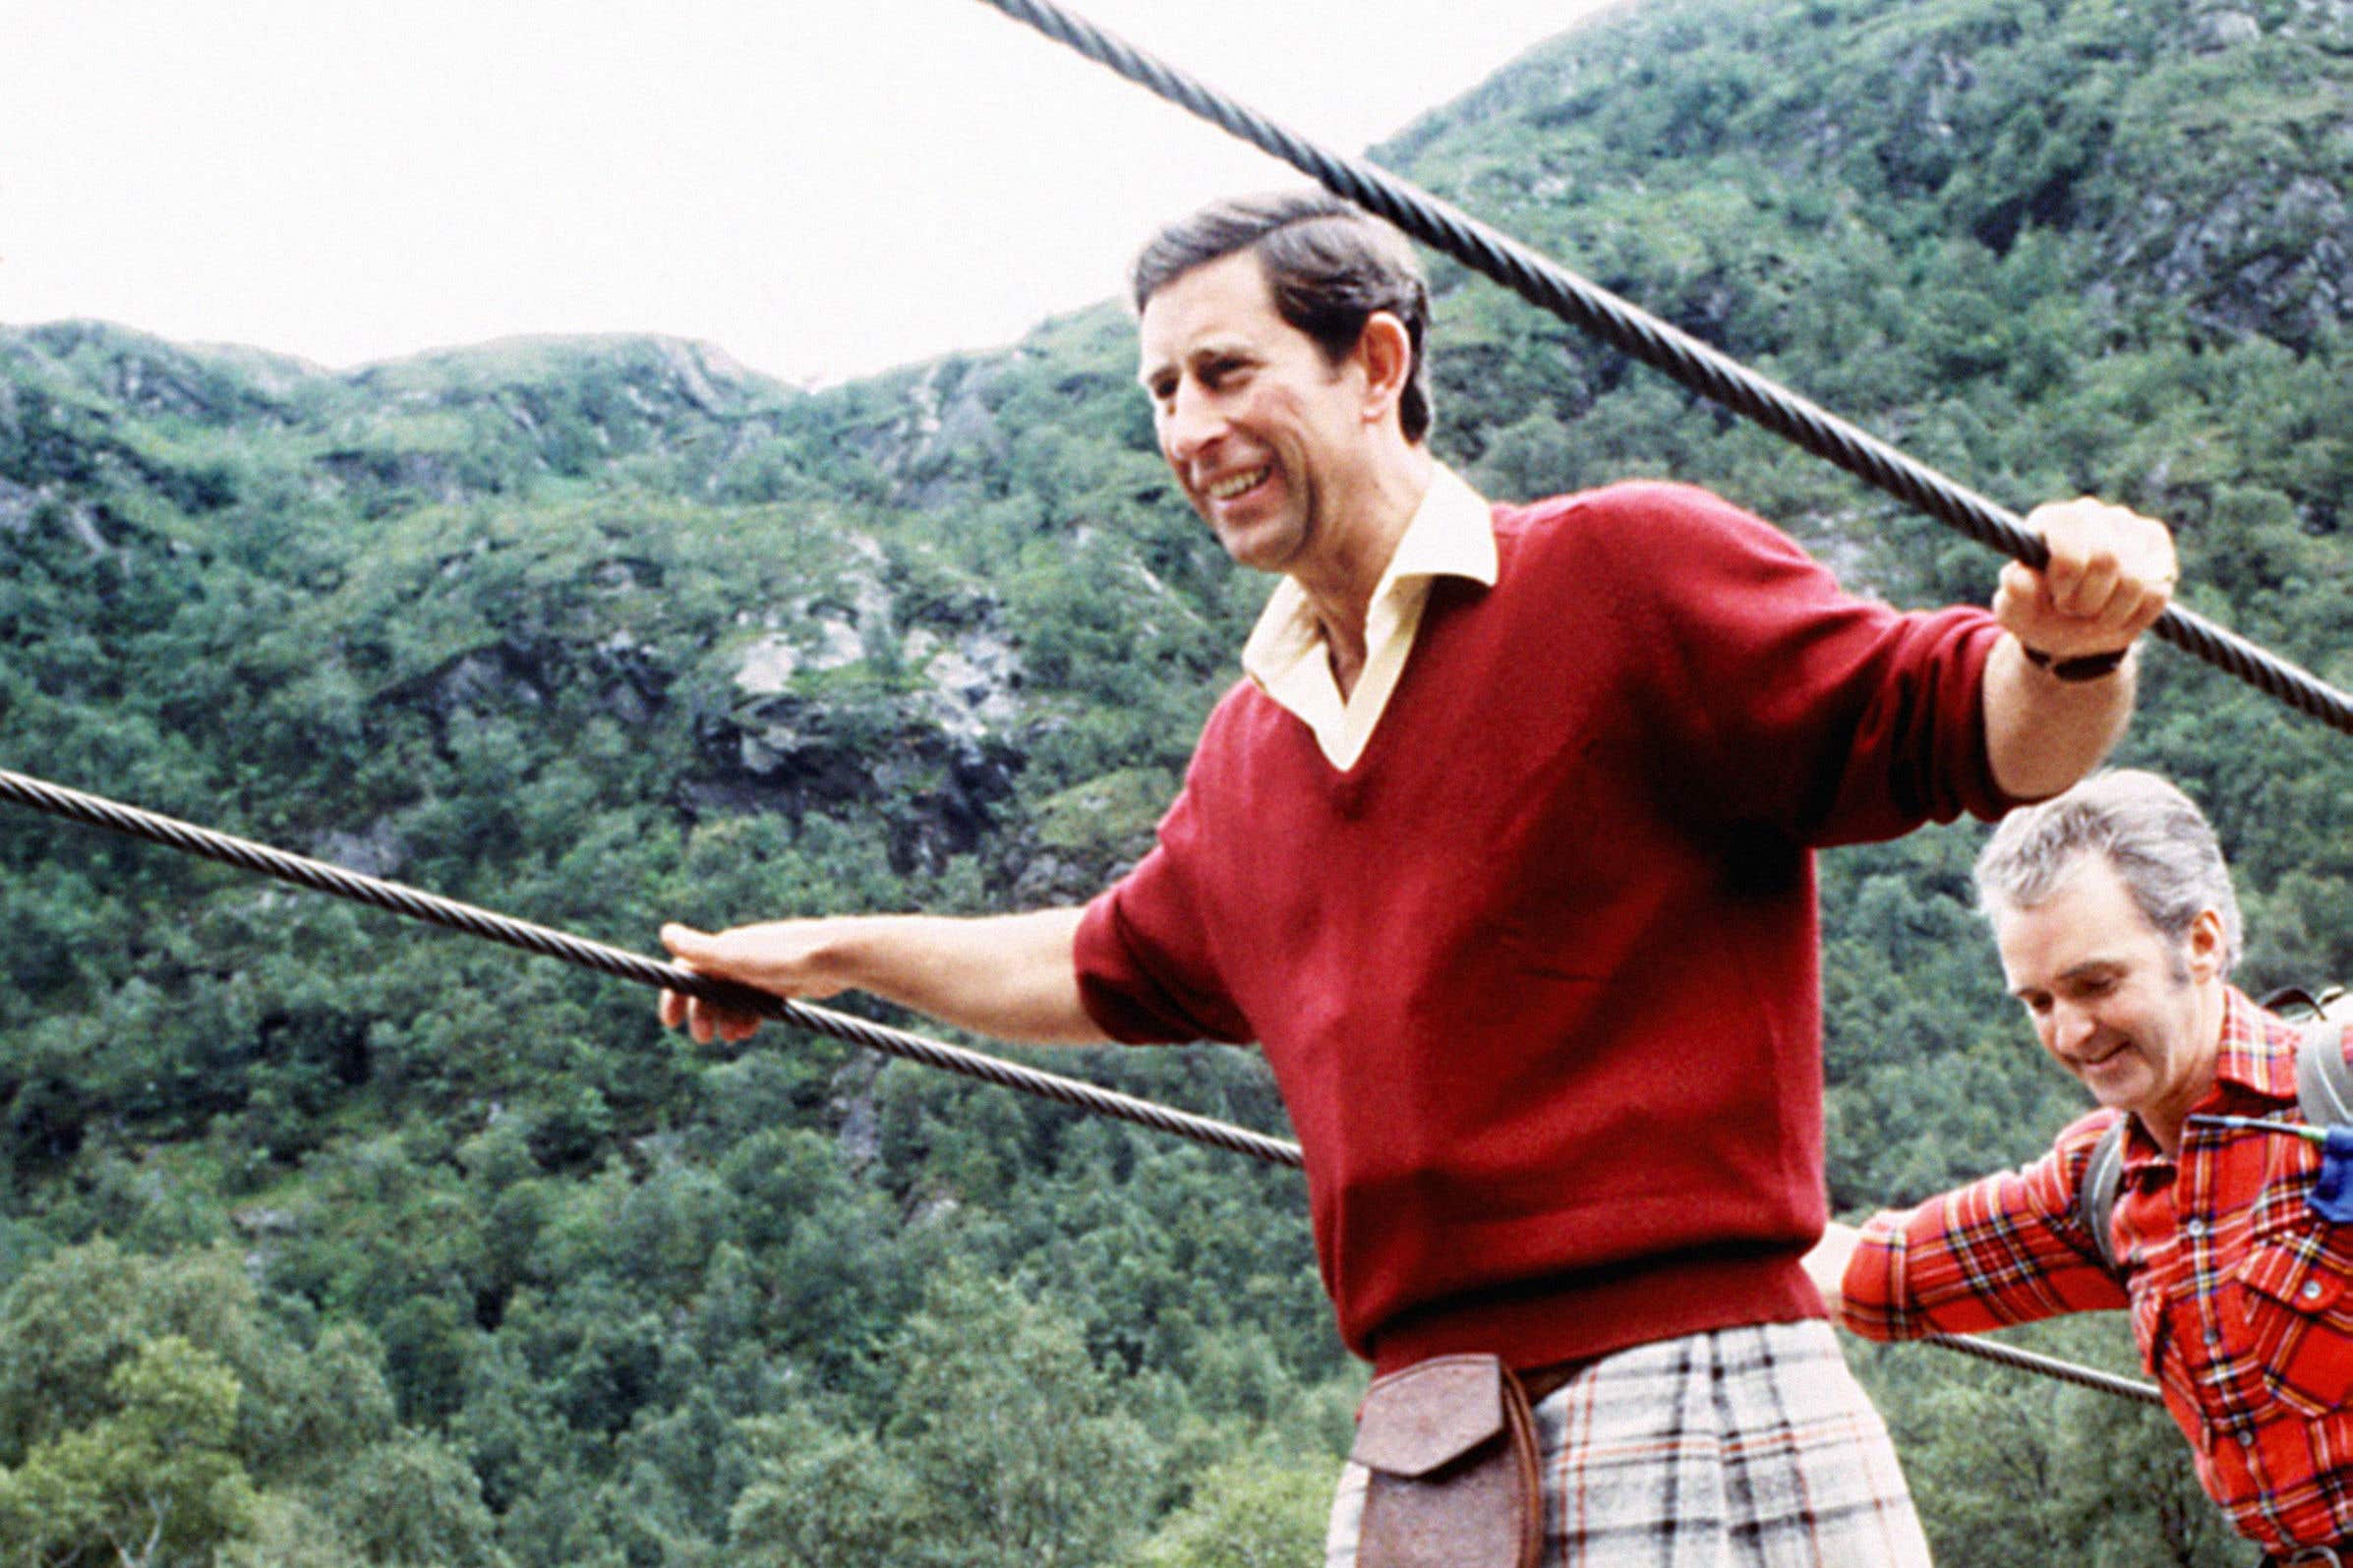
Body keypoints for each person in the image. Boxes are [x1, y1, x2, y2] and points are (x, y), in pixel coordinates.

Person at [659, 191, 2180, 1566]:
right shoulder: (1248, 750)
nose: (1190, 428)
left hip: (1695, 1386)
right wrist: (837, 951)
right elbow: (1093, 964)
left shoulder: (1622, 572)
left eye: (1228, 370)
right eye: (1162, 391)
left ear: (1375, 364)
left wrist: (2073, 640)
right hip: (1423, 1445)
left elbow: (1978, 727)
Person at [1807, 770, 2353, 1567]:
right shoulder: (2096, 1187)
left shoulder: (2334, 1086)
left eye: (2095, 984)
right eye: (2036, 1001)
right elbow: (1882, 1276)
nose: (2070, 1032)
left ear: (2199, 943)